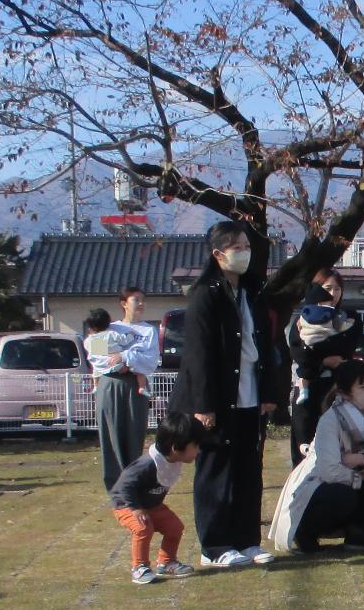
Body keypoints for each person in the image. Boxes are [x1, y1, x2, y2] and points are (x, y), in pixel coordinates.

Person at [172, 220, 284, 568]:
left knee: (249, 469)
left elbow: (265, 346)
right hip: (217, 398)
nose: (244, 253)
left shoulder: (252, 292)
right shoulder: (206, 294)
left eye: (247, 245)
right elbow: (198, 354)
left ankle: (247, 539)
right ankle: (215, 546)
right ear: (218, 254)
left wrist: (269, 392)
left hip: (250, 393)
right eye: (236, 247)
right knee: (216, 469)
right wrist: (204, 406)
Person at [268, 358, 364, 554]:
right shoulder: (331, 419)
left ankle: (358, 531)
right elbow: (328, 470)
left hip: (360, 475)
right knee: (343, 496)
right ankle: (306, 532)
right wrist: (358, 478)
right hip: (322, 485)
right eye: (363, 386)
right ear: (345, 393)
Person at [109, 413, 203, 585]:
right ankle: (139, 567)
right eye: (195, 446)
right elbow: (125, 485)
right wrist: (136, 509)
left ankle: (167, 562)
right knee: (144, 528)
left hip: (152, 505)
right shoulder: (147, 464)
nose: (198, 450)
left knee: (175, 527)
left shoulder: (173, 459)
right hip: (127, 505)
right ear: (176, 447)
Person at [286, 266, 361, 462]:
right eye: (328, 288)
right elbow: (299, 354)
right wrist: (325, 360)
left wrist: (315, 351)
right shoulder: (302, 318)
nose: (333, 293)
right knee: (304, 445)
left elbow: (347, 346)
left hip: (336, 388)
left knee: (337, 445)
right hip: (307, 388)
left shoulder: (350, 318)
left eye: (337, 289)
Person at [91, 288, 159, 489]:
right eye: (135, 299)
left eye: (142, 300)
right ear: (124, 303)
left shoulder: (148, 331)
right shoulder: (110, 328)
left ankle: (132, 481)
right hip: (110, 383)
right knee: (110, 432)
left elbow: (150, 362)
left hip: (135, 386)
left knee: (133, 432)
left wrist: (125, 358)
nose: (140, 304)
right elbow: (96, 357)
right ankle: (113, 484)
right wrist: (118, 364)